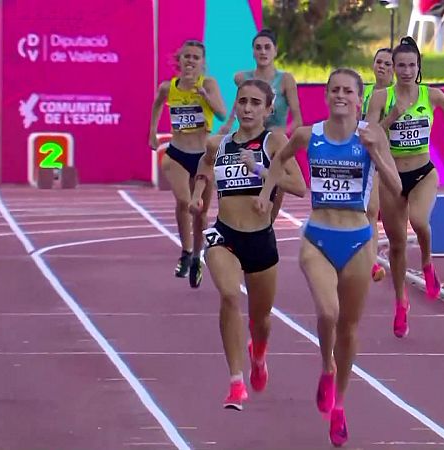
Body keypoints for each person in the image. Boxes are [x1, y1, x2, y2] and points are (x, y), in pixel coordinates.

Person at [255, 68, 402, 447]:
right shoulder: (309, 135)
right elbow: (277, 158)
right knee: (328, 314)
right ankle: (326, 366)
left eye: (347, 91)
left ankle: (339, 404)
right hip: (318, 237)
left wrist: (375, 153)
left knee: (349, 329)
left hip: (358, 240)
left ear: (358, 99)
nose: (340, 95)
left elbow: (396, 186)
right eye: (334, 89)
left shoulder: (373, 136)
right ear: (326, 95)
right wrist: (266, 194)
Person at [189, 79, 306, 411]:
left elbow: (298, 186)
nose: (248, 108)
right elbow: (204, 166)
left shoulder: (274, 142)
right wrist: (198, 194)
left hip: (260, 239)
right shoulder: (219, 143)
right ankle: (235, 382)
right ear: (236, 106)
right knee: (228, 295)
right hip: (224, 234)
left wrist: (261, 169)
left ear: (269, 110)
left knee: (261, 319)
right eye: (243, 102)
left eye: (256, 103)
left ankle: (258, 355)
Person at [365, 36, 444, 339]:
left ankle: (428, 264)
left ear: (419, 67)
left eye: (411, 65)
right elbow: (368, 135)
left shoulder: (430, 95)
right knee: (395, 245)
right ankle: (400, 302)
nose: (406, 71)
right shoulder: (381, 98)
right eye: (400, 65)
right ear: (392, 68)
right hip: (392, 175)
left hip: (423, 172)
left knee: (419, 221)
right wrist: (393, 117)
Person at [149, 39, 227, 288]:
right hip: (177, 154)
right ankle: (185, 250)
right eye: (186, 56)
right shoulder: (168, 87)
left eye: (195, 57)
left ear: (202, 63)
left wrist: (205, 96)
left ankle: (196, 256)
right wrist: (152, 131)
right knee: (184, 202)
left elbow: (223, 113)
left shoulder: (209, 84)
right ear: (179, 60)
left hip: (204, 157)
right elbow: (157, 104)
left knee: (200, 211)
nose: (190, 60)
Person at [218, 28, 303, 223]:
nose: (263, 52)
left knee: (270, 209)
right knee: (246, 201)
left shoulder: (286, 80)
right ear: (253, 52)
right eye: (258, 48)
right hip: (249, 145)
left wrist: (282, 134)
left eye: (267, 47)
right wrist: (229, 123)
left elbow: (298, 119)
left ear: (275, 51)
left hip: (274, 149)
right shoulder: (243, 78)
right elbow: (238, 102)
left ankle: (265, 237)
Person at [361, 47, 394, 283]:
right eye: (378, 62)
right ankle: (371, 262)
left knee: (393, 219)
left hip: (392, 160)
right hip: (368, 157)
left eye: (387, 63)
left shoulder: (397, 95)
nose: (381, 66)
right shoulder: (366, 93)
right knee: (370, 211)